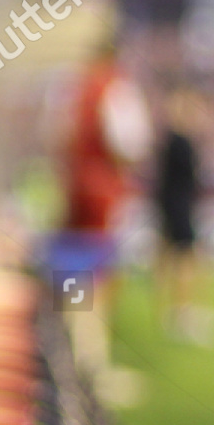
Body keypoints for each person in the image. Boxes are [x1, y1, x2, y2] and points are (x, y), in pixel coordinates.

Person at [56, 40, 153, 382]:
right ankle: (91, 366)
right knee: (99, 279)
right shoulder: (116, 88)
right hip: (104, 195)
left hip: (74, 191)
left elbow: (55, 137)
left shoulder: (72, 88)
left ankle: (76, 357)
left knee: (76, 278)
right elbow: (129, 143)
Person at [152, 88, 214, 345]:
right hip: (178, 210)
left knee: (176, 261)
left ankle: (175, 313)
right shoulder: (179, 142)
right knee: (185, 262)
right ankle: (182, 314)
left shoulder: (172, 141)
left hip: (175, 208)